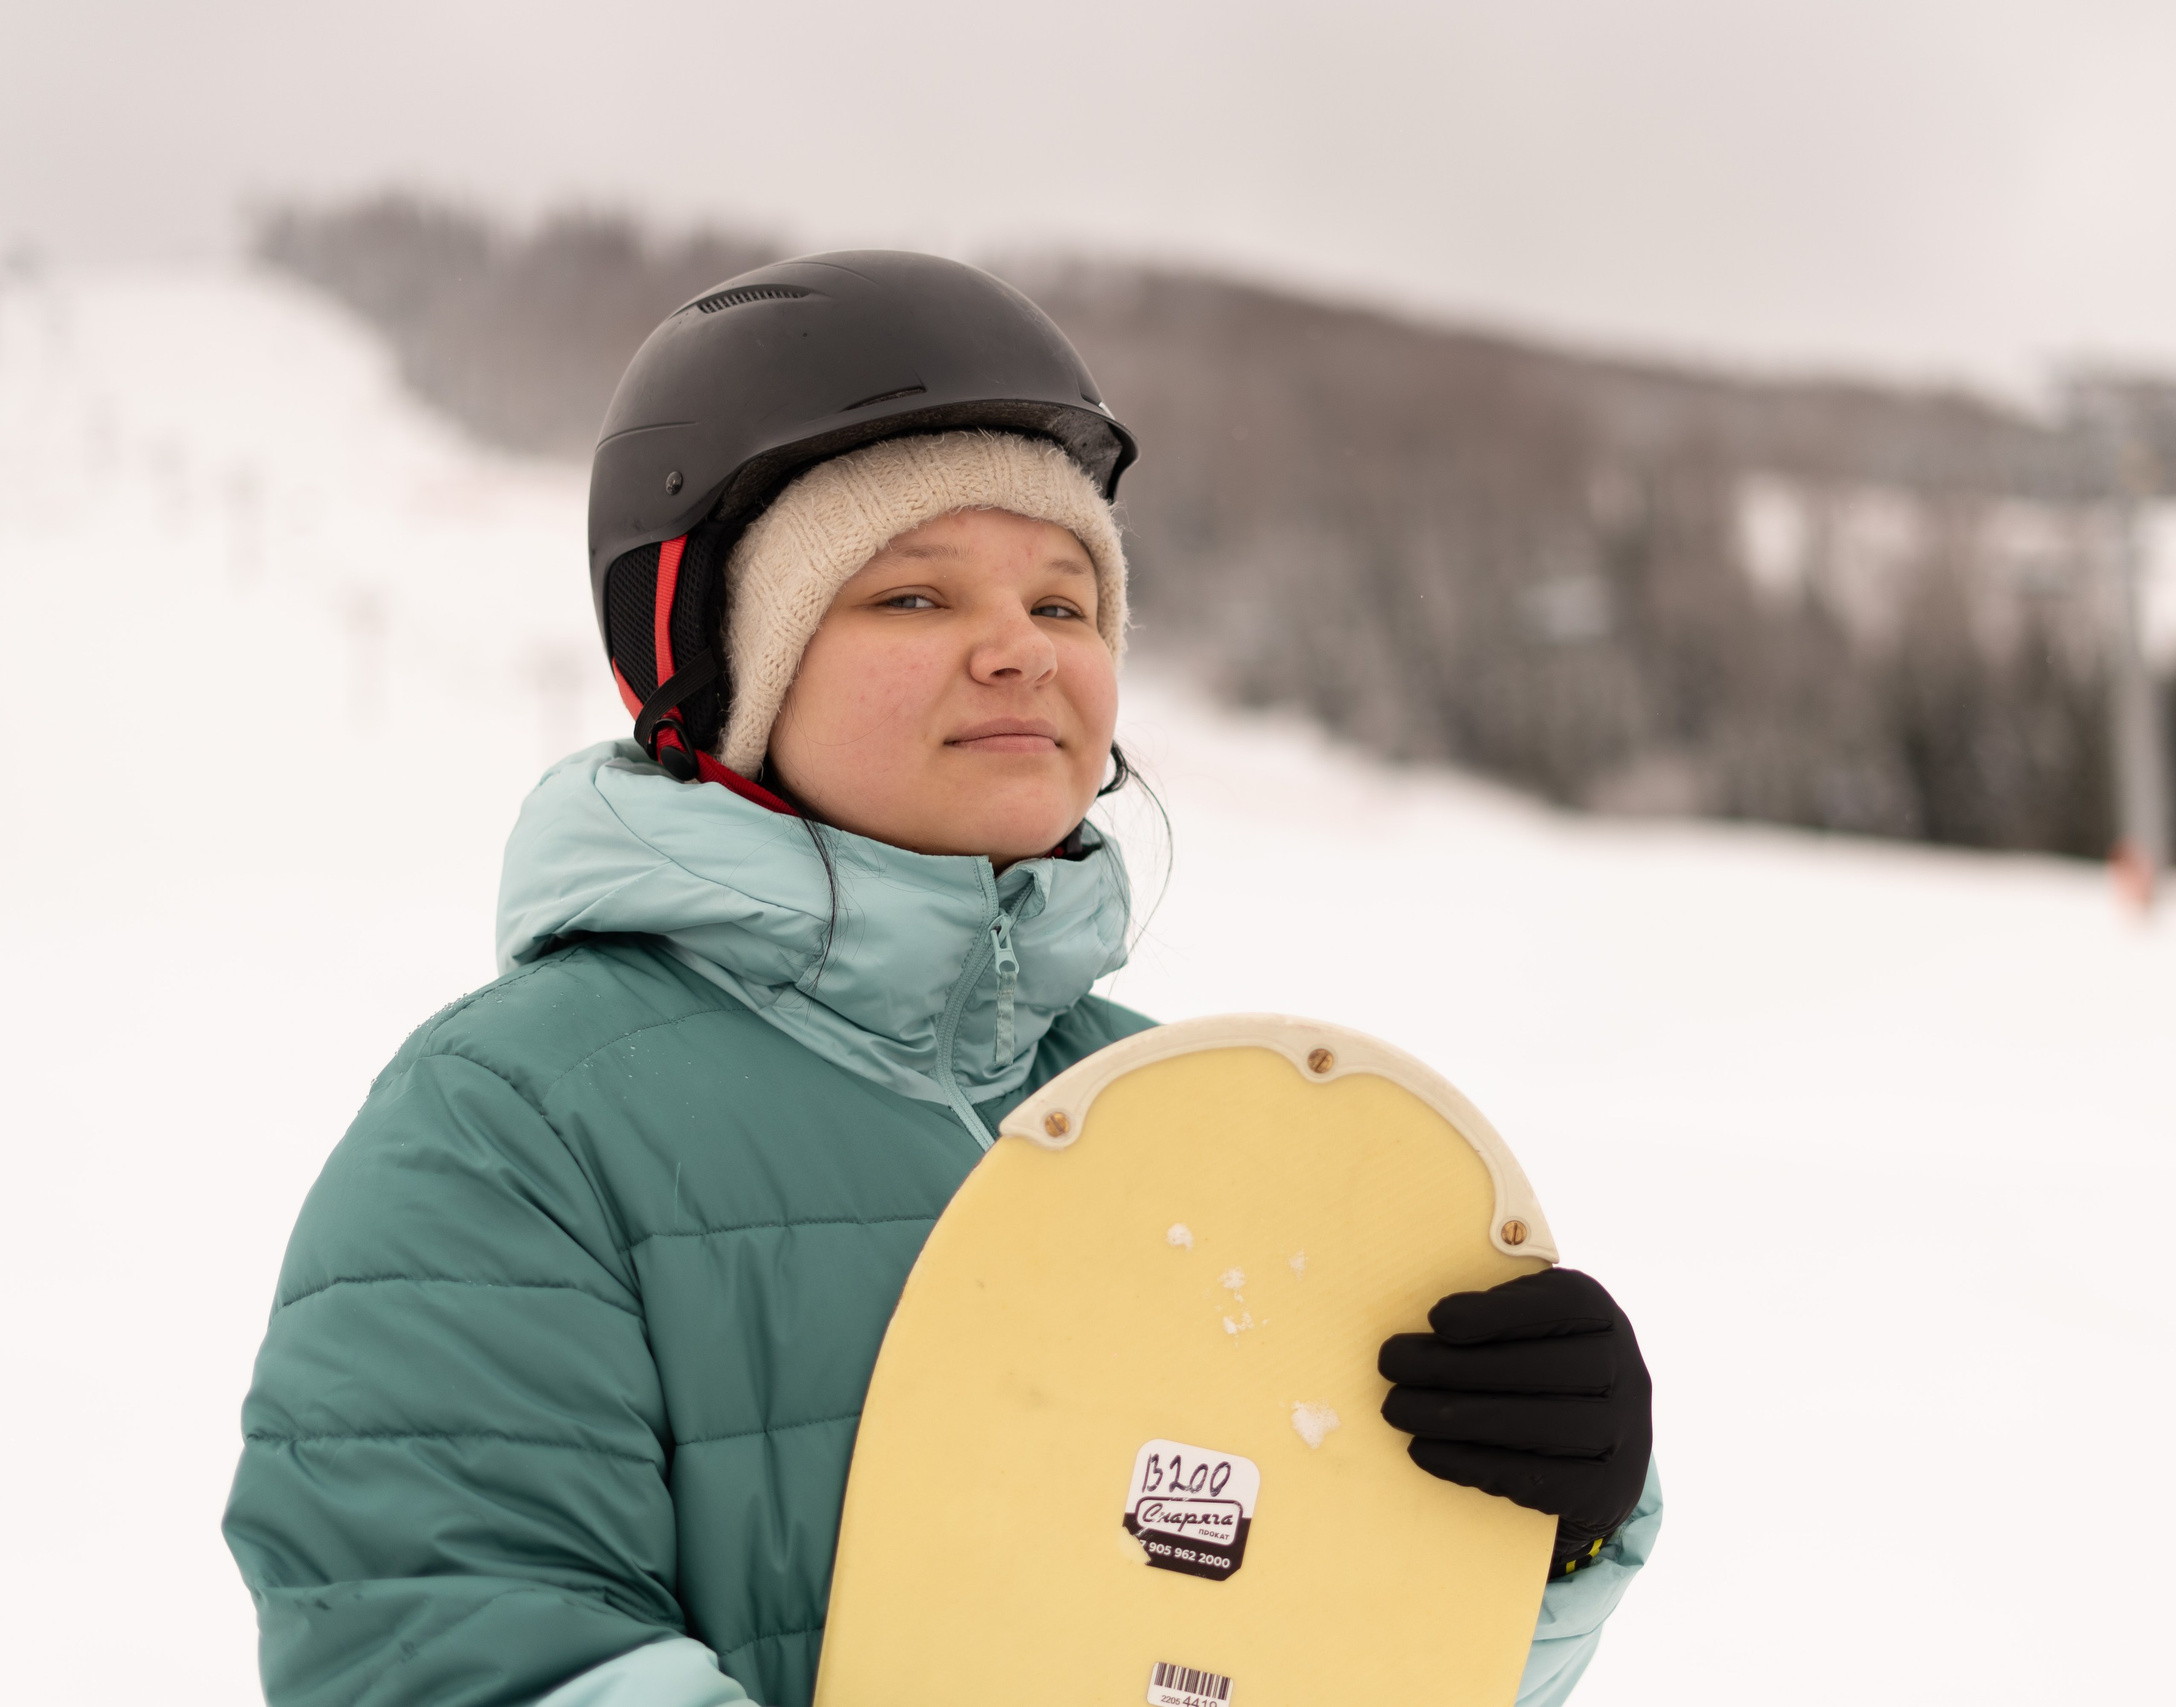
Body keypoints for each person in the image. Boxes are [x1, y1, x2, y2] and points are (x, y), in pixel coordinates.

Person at [221, 252, 1663, 1707]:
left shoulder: (1169, 1111)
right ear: (721, 674)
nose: (1016, 654)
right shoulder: (511, 1126)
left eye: (1064, 603)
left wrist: (1534, 1529)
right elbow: (450, 1650)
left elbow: (1276, 1657)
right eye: (912, 598)